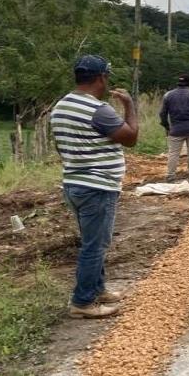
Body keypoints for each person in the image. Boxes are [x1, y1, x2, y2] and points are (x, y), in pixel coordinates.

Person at [48, 55, 138, 319]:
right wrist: (130, 105)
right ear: (101, 78)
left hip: (75, 183)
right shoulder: (98, 110)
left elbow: (61, 145)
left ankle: (98, 289)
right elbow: (131, 138)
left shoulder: (61, 105)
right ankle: (83, 302)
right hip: (97, 186)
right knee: (95, 246)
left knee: (93, 241)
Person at [159, 74, 189, 184]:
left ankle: (170, 177)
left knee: (173, 153)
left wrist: (167, 126)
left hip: (176, 129)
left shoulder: (168, 95)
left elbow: (162, 113)